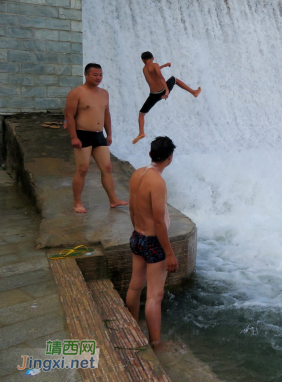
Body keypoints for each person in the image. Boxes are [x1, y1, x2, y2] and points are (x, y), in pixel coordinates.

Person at [126, 136, 179, 348]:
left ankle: (130, 329)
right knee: (154, 296)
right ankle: (156, 342)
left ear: (150, 154)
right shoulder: (158, 182)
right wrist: (169, 253)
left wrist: (137, 230)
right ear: (170, 158)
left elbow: (131, 207)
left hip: (136, 236)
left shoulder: (137, 174)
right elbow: (158, 222)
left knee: (134, 286)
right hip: (153, 241)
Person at [65, 63, 128, 213]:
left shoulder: (104, 93)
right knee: (83, 169)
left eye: (100, 75)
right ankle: (77, 203)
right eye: (95, 75)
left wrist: (109, 134)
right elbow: (69, 115)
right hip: (82, 135)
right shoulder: (76, 93)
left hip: (99, 135)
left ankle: (113, 200)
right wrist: (74, 137)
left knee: (107, 167)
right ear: (86, 75)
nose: (98, 78)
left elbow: (106, 114)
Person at [133, 52, 201, 144]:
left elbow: (153, 72)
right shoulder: (155, 65)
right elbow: (160, 76)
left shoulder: (144, 69)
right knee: (174, 79)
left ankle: (141, 133)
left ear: (143, 60)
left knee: (141, 113)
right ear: (153, 58)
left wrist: (164, 65)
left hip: (153, 95)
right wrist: (167, 90)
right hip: (162, 91)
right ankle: (194, 92)